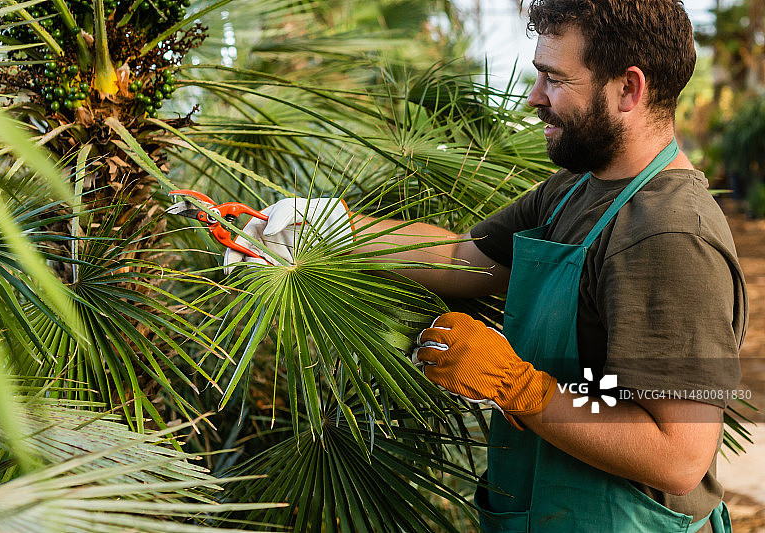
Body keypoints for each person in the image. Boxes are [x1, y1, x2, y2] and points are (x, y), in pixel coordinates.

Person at [225, 1, 748, 531]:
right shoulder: (571, 190)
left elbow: (678, 456)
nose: (534, 98)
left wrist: (520, 388)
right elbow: (462, 257)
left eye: (554, 79)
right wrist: (327, 228)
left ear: (627, 90)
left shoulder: (671, 235)